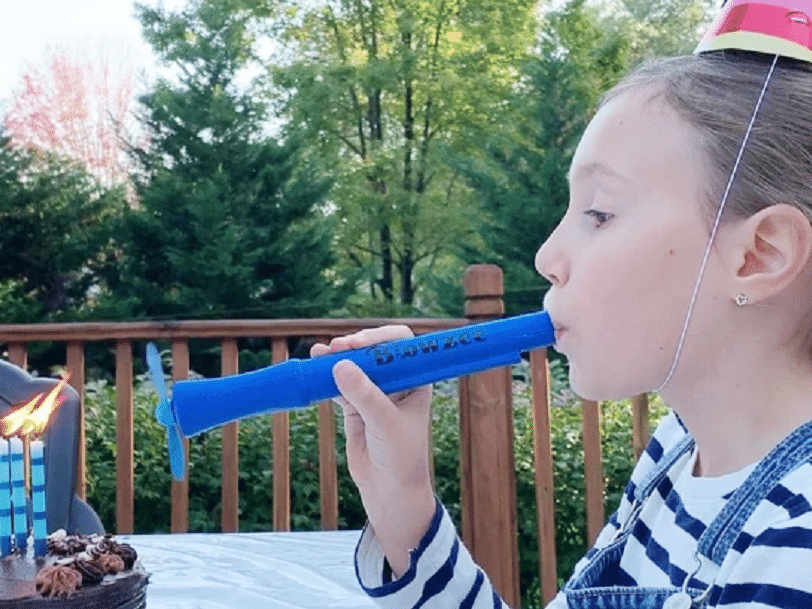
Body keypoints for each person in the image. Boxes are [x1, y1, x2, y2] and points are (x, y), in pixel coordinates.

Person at [311, 1, 812, 607]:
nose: (548, 255)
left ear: (759, 254)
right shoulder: (676, 454)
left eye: (598, 213)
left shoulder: (797, 542)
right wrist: (404, 507)